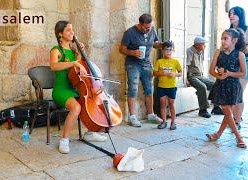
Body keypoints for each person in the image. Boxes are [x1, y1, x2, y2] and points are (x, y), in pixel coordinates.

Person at [50, 21, 107, 154]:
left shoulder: (75, 51)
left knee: (89, 104)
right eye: (68, 30)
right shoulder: (56, 50)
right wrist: (73, 63)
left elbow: (79, 72)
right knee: (76, 107)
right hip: (61, 90)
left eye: (72, 30)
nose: (72, 33)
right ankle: (64, 140)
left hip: (74, 88)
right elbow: (53, 66)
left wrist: (81, 54)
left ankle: (90, 132)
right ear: (60, 34)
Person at [119, 13, 163, 127]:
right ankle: (132, 117)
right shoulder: (129, 33)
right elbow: (122, 49)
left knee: (149, 89)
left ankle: (151, 115)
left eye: (150, 27)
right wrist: (133, 52)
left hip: (146, 63)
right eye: (146, 28)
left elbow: (155, 43)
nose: (148, 30)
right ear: (140, 24)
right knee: (133, 89)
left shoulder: (151, 29)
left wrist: (162, 45)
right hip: (133, 63)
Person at [206, 28, 247, 148]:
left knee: (228, 114)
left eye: (225, 39)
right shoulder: (218, 52)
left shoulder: (240, 55)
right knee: (228, 112)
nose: (223, 41)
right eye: (221, 39)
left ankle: (217, 134)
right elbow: (211, 70)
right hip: (221, 86)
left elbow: (243, 74)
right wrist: (219, 75)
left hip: (234, 87)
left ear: (234, 40)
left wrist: (228, 73)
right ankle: (239, 137)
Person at [228, 6, 248, 129]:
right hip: (231, 64)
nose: (231, 16)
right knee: (233, 93)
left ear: (241, 15)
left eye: (234, 14)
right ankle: (236, 118)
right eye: (230, 14)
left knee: (238, 92)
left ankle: (237, 122)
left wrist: (243, 49)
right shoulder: (229, 30)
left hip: (245, 63)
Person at [186, 36, 223, 118]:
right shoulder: (189, 51)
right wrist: (186, 79)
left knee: (216, 84)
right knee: (202, 87)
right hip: (192, 76)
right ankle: (203, 110)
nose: (205, 47)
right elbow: (186, 66)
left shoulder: (200, 52)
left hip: (200, 76)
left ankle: (216, 107)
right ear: (198, 45)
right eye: (203, 45)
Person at [153, 40, 182, 130]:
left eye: (170, 50)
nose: (168, 52)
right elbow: (154, 73)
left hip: (172, 87)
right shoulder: (159, 61)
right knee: (162, 104)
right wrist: (161, 73)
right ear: (162, 51)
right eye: (166, 50)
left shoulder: (175, 62)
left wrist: (175, 74)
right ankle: (164, 121)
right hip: (162, 87)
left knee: (171, 104)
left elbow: (180, 73)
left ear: (173, 51)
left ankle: (173, 122)